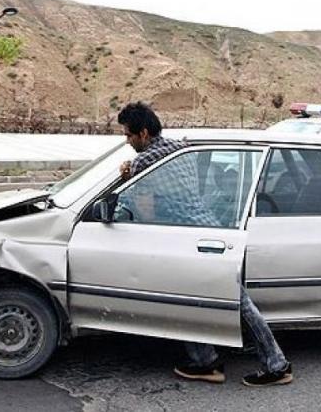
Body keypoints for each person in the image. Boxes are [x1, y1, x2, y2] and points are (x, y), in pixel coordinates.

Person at [118, 101, 293, 385]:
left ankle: (276, 365)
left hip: (186, 240)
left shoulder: (143, 162)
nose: (127, 141)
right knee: (190, 299)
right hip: (207, 229)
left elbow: (145, 212)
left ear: (144, 133)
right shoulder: (179, 148)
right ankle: (204, 360)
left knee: (239, 303)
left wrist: (128, 177)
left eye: (128, 135)